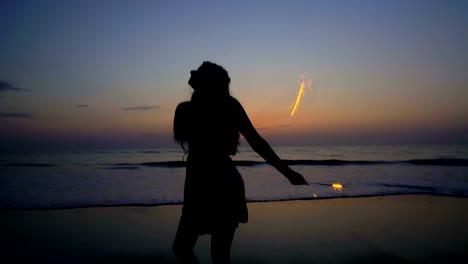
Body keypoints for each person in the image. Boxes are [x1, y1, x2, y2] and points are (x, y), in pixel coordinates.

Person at [172, 61, 308, 264]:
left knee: (185, 249)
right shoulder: (228, 106)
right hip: (221, 183)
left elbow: (183, 136)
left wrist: (288, 173)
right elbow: (257, 143)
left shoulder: (187, 110)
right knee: (218, 256)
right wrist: (288, 173)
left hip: (203, 183)